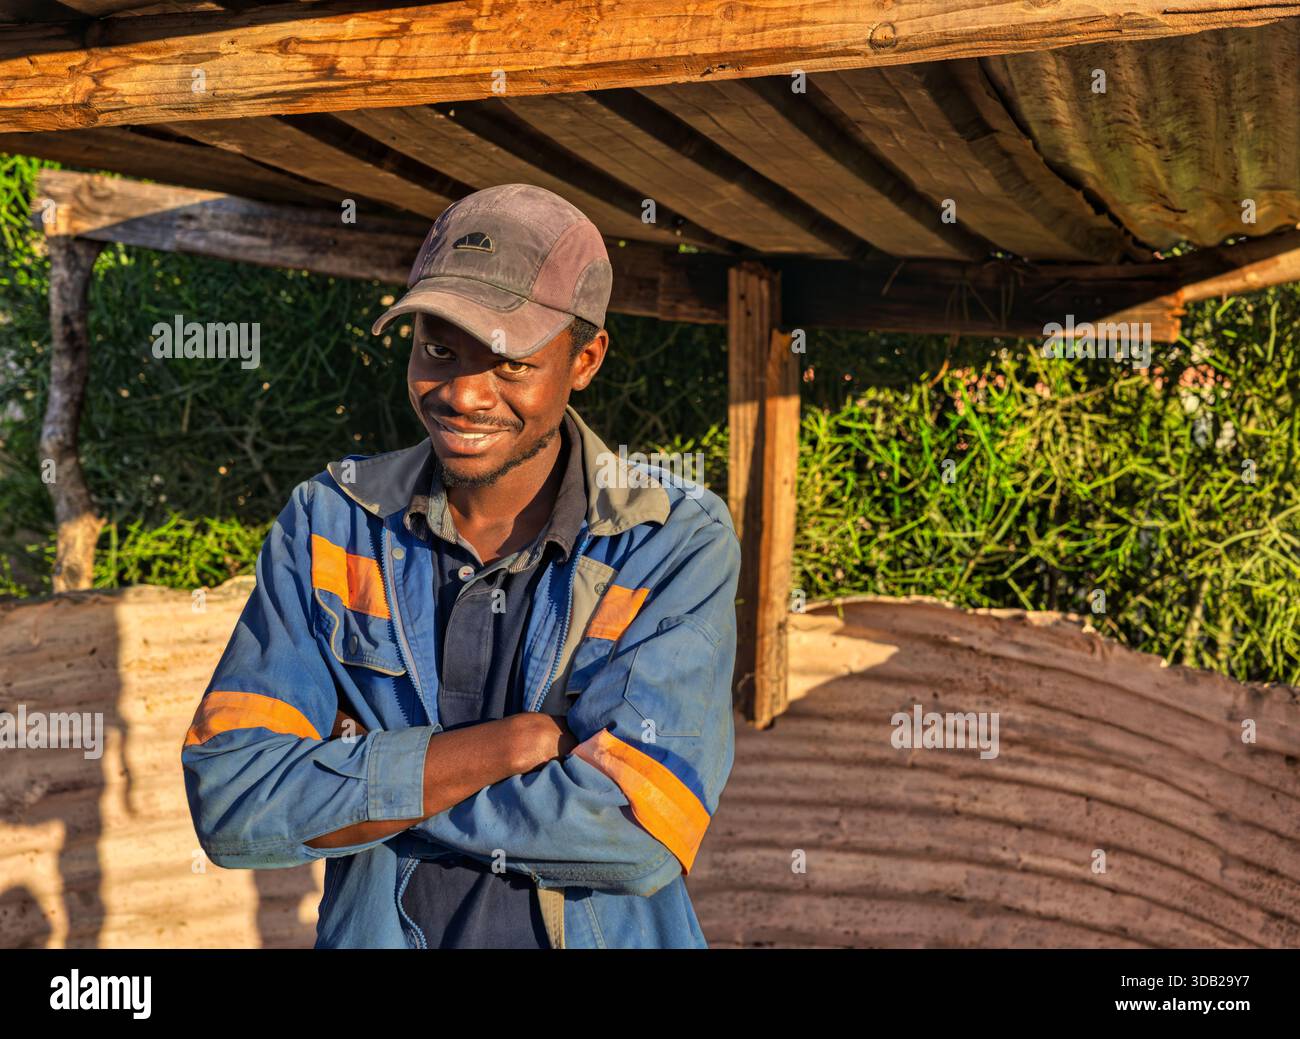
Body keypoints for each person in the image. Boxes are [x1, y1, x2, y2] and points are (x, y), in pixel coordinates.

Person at [181, 183, 741, 948]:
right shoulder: (330, 524)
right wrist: (495, 750)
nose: (463, 393)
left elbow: (640, 828)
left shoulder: (670, 539)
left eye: (509, 361)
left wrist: (358, 770)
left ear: (585, 359)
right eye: (438, 348)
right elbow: (234, 797)